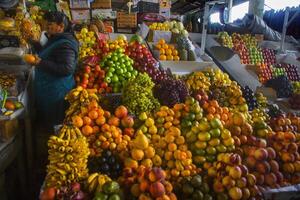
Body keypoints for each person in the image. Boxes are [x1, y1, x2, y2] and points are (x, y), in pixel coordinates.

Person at [30, 11, 79, 129]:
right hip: (49, 90)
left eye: (50, 24)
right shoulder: (57, 37)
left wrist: (40, 63)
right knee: (49, 122)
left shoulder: (65, 44)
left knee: (55, 126)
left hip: (57, 93)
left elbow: (67, 68)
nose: (46, 27)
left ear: (61, 26)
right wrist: (35, 44)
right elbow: (51, 54)